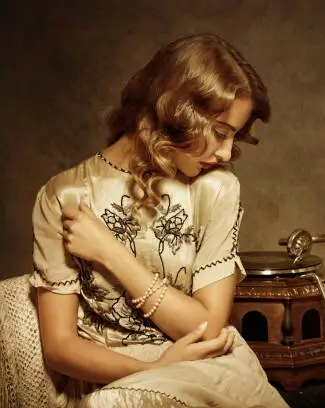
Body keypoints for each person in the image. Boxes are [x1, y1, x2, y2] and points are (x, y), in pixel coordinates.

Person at [29, 33, 290, 407]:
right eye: (219, 133)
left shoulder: (216, 189)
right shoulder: (64, 195)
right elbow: (59, 347)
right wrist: (147, 369)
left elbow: (205, 328)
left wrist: (109, 251)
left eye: (233, 137)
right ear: (176, 111)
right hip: (109, 380)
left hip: (206, 368)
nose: (227, 152)